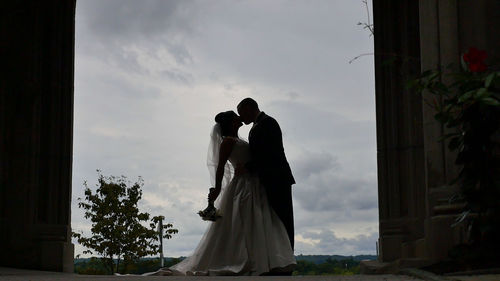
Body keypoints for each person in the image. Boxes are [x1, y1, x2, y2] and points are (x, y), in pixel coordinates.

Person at [145, 110, 295, 276]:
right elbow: (221, 166)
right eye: (236, 117)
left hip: (256, 184)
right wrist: (217, 188)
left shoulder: (240, 140)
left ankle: (264, 261)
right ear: (231, 122)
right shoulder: (228, 142)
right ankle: (249, 260)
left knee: (260, 220)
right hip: (244, 186)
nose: (240, 118)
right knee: (245, 222)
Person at [237, 98, 296, 252]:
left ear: (249, 108)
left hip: (277, 178)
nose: (241, 119)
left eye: (241, 113)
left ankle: (287, 256)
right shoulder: (258, 125)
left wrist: (247, 167)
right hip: (267, 179)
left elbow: (269, 153)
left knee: (283, 220)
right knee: (273, 221)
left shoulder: (268, 123)